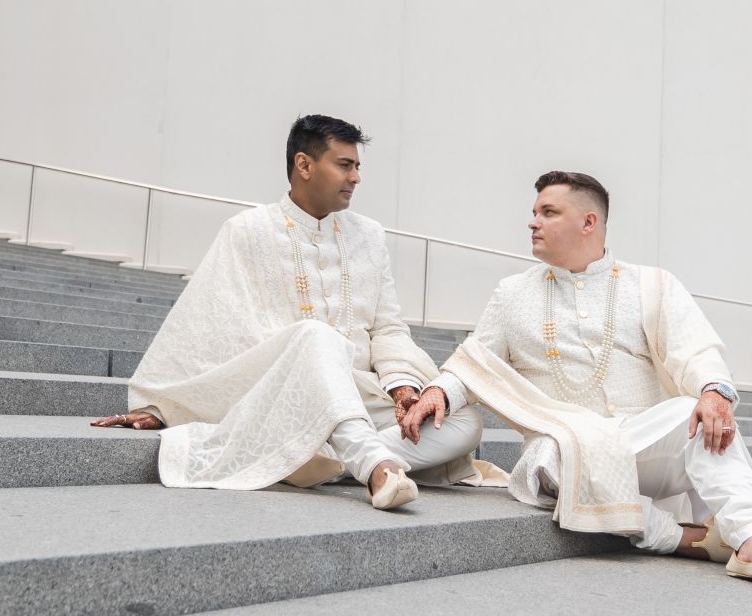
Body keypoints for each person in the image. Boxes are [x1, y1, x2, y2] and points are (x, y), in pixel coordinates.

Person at [399, 171, 752, 586]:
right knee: (546, 460)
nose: (533, 222)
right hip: (564, 444)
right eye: (534, 212)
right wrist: (438, 391)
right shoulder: (512, 294)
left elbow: (696, 350)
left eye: (548, 212)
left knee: (701, 413)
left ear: (588, 222)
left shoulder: (652, 284)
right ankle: (688, 540)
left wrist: (714, 392)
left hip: (641, 439)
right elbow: (474, 363)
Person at [93, 114, 501, 508]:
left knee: (463, 422)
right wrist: (161, 408)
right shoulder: (248, 230)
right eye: (344, 165)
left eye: (357, 166)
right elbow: (209, 322)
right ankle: (376, 464)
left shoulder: (369, 236)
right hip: (282, 391)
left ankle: (323, 460)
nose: (356, 178)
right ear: (304, 165)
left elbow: (388, 327)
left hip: (360, 391)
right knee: (317, 336)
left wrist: (403, 387)